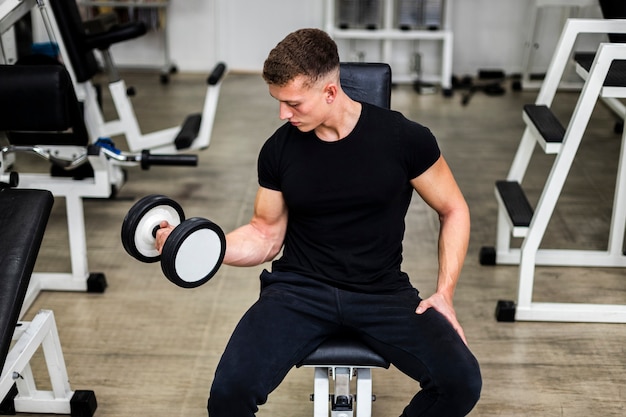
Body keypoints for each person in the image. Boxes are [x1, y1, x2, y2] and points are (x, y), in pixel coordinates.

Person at [156, 28, 481, 417]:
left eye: (293, 103)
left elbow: (454, 209)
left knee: (461, 382)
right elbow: (265, 234)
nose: (283, 114)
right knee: (228, 395)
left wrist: (444, 293)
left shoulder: (404, 139)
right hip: (298, 293)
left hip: (381, 292)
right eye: (278, 103)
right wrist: (198, 243)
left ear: (329, 92)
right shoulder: (279, 150)